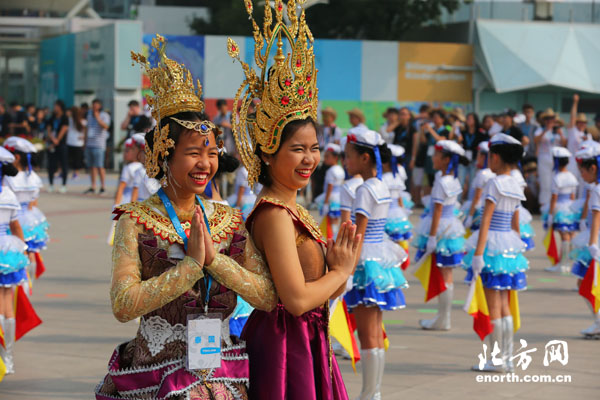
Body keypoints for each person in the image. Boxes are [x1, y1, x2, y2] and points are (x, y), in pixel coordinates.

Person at [96, 34, 278, 400]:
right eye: (194, 152)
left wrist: (215, 261)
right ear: (165, 154)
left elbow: (266, 296)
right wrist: (191, 267)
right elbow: (123, 305)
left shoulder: (229, 219)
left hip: (223, 369)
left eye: (211, 153)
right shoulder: (136, 220)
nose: (206, 164)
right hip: (156, 371)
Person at [228, 5, 362, 398]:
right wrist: (341, 272)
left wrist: (336, 273)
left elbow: (313, 295)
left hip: (307, 342)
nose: (310, 159)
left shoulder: (295, 208)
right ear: (268, 152)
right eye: (298, 149)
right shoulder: (273, 214)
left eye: (315, 148)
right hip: (285, 349)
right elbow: (297, 299)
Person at [342, 130, 407, 400]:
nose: (346, 161)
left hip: (366, 260)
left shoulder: (364, 190)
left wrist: (346, 271)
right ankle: (374, 392)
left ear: (365, 157)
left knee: (368, 334)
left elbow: (359, 233)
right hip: (380, 257)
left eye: (349, 156)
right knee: (376, 332)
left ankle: (370, 394)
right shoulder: (380, 186)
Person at [464, 133, 528, 372]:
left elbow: (486, 221)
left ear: (499, 157)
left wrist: (478, 254)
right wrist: (517, 247)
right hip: (509, 246)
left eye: (491, 155)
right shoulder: (515, 183)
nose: (489, 160)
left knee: (494, 307)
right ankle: (507, 358)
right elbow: (515, 220)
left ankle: (496, 359)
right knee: (505, 305)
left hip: (492, 245)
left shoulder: (494, 182)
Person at [413, 140, 468, 331]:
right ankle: (443, 317)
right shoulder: (452, 179)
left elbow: (437, 211)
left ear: (445, 159)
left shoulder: (442, 182)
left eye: (437, 155)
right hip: (451, 227)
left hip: (441, 228)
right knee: (447, 274)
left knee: (444, 274)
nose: (433, 158)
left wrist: (431, 236)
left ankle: (443, 318)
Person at [0, 147, 29, 375]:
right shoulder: (8, 195)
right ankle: (7, 358)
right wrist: (23, 252)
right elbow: (16, 226)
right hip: (8, 250)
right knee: (7, 302)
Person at [3, 137, 48, 280]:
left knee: (14, 258)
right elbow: (33, 203)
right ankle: (28, 285)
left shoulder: (8, 180)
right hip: (30, 220)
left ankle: (21, 289)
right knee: (30, 253)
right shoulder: (33, 177)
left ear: (16, 157)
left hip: (12, 222)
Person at [569, 142, 600, 337]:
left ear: (593, 168)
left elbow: (597, 217)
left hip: (596, 242)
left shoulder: (596, 189)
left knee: (585, 284)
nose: (581, 174)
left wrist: (592, 244)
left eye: (582, 170)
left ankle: (598, 321)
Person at [543, 147, 578, 273]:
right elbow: (573, 196)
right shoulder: (572, 176)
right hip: (571, 207)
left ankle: (562, 264)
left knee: (564, 236)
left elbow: (554, 198)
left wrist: (551, 215)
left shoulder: (556, 178)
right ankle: (567, 263)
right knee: (571, 235)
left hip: (560, 208)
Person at [534, 108, 567, 207]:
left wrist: (560, 134)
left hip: (556, 159)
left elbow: (565, 143)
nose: (549, 120)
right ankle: (544, 206)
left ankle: (555, 206)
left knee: (556, 183)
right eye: (547, 119)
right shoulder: (540, 129)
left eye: (551, 118)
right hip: (544, 159)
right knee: (545, 184)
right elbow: (536, 140)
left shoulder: (559, 130)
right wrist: (545, 130)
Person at [383, 144, 413, 247]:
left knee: (388, 242)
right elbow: (400, 197)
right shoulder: (396, 177)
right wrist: (403, 212)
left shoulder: (384, 178)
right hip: (398, 212)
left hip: (387, 213)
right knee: (398, 241)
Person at [462, 141, 495, 232]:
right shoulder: (493, 173)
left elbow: (476, 197)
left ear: (483, 157)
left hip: (476, 210)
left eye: (478, 155)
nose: (477, 158)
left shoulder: (482, 174)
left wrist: (470, 216)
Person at [314, 143, 345, 236]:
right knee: (335, 220)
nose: (325, 159)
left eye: (327, 156)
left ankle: (332, 237)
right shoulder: (340, 169)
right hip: (338, 197)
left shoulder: (331, 171)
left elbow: (329, 187)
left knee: (331, 220)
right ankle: (334, 235)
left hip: (331, 198)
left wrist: (326, 203)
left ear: (335, 157)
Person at [84, 98, 110, 195]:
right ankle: (93, 186)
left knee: (100, 166)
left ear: (100, 106)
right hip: (90, 143)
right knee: (92, 167)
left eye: (96, 105)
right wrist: (84, 142)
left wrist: (98, 117)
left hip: (99, 144)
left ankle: (103, 187)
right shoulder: (89, 115)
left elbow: (106, 126)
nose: (94, 106)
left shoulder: (104, 115)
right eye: (93, 104)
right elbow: (87, 128)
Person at [567, 94, 591, 194]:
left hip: (583, 163)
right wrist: (575, 102)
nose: (582, 124)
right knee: (572, 185)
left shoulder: (588, 135)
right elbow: (572, 117)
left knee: (582, 185)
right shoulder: (573, 131)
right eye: (580, 122)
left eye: (584, 122)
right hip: (572, 160)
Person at [422, 109, 450, 188]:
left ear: (442, 119)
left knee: (438, 179)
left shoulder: (446, 130)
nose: (435, 120)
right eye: (433, 118)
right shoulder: (432, 129)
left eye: (437, 117)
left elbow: (439, 139)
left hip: (440, 157)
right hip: (430, 157)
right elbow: (423, 141)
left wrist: (430, 129)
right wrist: (422, 131)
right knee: (430, 181)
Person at [46, 99, 70, 193]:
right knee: (51, 165)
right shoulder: (52, 118)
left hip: (62, 144)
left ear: (60, 107)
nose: (55, 108)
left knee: (64, 164)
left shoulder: (64, 118)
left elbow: (64, 129)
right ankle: (51, 184)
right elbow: (48, 129)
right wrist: (52, 139)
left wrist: (57, 140)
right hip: (52, 144)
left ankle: (64, 185)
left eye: (56, 106)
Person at [459, 112, 486, 190]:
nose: (468, 120)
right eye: (467, 119)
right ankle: (458, 201)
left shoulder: (481, 133)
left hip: (475, 160)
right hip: (463, 160)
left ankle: (470, 201)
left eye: (470, 119)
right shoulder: (463, 132)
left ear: (475, 120)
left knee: (472, 182)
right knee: (460, 181)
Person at [66, 105, 86, 178]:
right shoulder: (70, 120)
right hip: (75, 142)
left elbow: (84, 132)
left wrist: (84, 139)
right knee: (76, 160)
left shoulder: (81, 121)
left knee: (73, 159)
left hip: (75, 142)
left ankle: (75, 173)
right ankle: (75, 173)